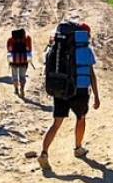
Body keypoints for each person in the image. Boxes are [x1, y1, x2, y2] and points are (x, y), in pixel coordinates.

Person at [38, 23, 100, 171]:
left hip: (61, 85)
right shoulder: (86, 50)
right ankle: (78, 148)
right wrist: (97, 96)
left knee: (56, 123)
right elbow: (91, 75)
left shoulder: (59, 48)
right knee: (81, 118)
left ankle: (44, 153)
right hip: (80, 89)